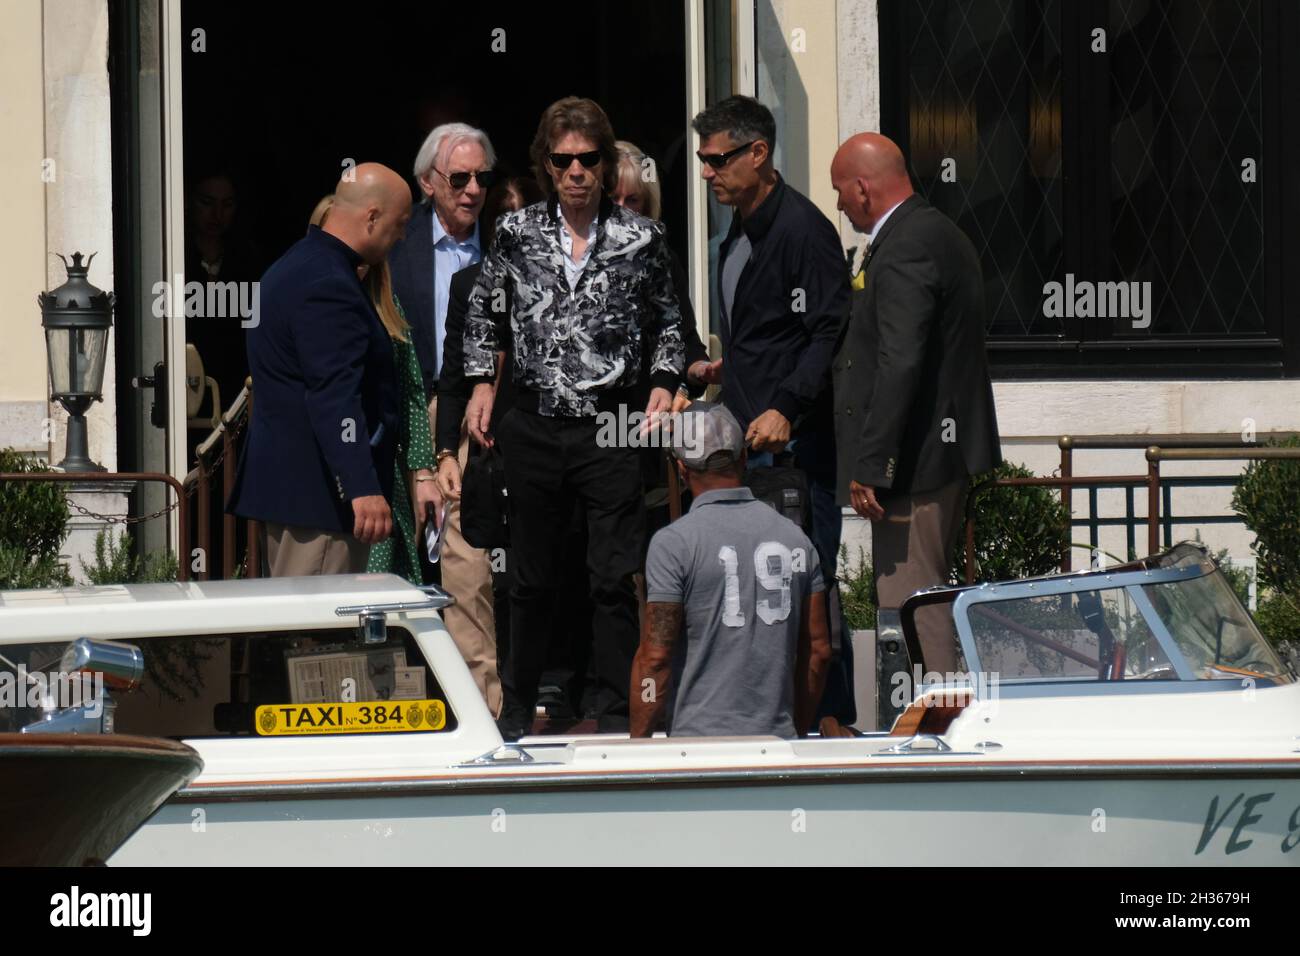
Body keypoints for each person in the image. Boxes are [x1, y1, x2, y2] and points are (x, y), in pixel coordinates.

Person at [462, 97, 685, 739]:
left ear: (605, 163)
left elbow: (668, 322)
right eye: (564, 161)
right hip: (533, 419)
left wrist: (665, 382)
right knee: (528, 578)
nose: (577, 172)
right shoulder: (516, 232)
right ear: (547, 166)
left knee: (613, 577)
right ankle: (516, 709)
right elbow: (485, 312)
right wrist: (481, 384)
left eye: (589, 159)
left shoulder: (642, 238)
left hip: (608, 424)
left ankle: (617, 712)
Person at [690, 95, 854, 723]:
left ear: (758, 154)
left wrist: (785, 404)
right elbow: (767, 333)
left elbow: (825, 330)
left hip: (796, 452)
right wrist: (722, 372)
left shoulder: (803, 230)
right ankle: (772, 716)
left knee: (809, 585)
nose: (707, 172)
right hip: (750, 447)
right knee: (762, 590)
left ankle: (831, 724)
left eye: (717, 159)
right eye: (704, 160)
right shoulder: (739, 228)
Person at [830, 132, 1002, 674]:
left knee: (912, 601)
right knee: (921, 596)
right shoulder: (936, 231)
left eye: (840, 191)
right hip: (933, 456)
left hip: (914, 464)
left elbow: (899, 361)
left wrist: (872, 464)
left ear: (862, 187)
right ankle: (939, 719)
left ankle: (940, 729)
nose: (838, 204)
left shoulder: (905, 243)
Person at [228, 163, 409, 576]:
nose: (400, 237)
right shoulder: (329, 283)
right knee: (320, 634)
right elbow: (333, 393)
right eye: (399, 224)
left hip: (298, 496)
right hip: (320, 503)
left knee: (295, 631)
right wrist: (362, 486)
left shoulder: (293, 265)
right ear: (372, 216)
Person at [630, 401, 830, 738]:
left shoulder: (674, 543)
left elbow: (655, 659)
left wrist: (638, 745)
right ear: (741, 459)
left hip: (698, 749)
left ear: (681, 470)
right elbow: (819, 652)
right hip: (776, 747)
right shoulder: (795, 539)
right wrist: (794, 731)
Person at [389, 122, 501, 715]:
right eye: (459, 178)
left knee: (468, 564)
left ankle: (482, 707)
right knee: (408, 560)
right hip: (414, 409)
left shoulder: (509, 243)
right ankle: (413, 701)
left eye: (482, 176)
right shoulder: (396, 248)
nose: (473, 189)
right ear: (429, 182)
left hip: (487, 415)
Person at [306, 196, 440, 585]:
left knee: (382, 590)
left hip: (385, 477)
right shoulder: (312, 299)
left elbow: (412, 390)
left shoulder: (387, 303)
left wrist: (423, 471)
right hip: (323, 476)